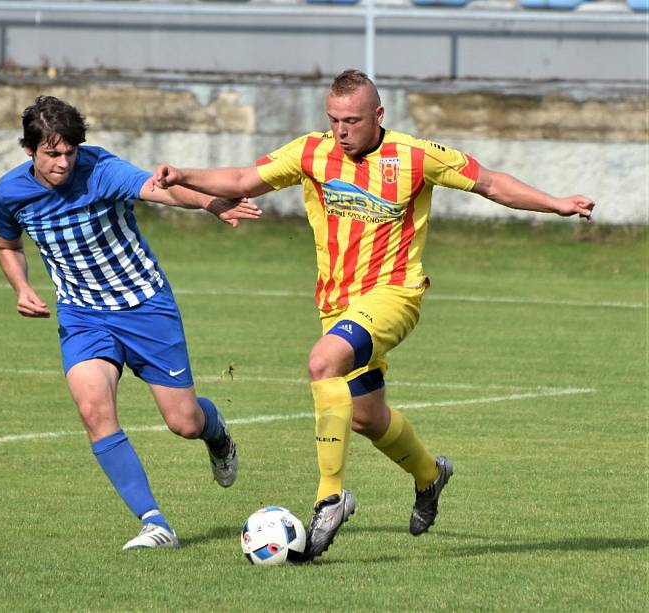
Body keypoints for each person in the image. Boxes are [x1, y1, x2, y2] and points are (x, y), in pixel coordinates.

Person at [152, 69, 595, 560]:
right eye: (334, 119)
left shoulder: (414, 156)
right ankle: (430, 475)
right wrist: (183, 176)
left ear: (379, 116)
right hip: (336, 304)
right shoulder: (311, 152)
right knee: (366, 417)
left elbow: (489, 183)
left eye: (353, 120)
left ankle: (329, 497)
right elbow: (241, 180)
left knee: (323, 363)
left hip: (394, 296)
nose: (342, 130)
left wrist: (555, 204)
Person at [0, 95, 262, 550]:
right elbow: (7, 247)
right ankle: (155, 523)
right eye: (51, 153)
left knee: (185, 423)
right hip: (82, 316)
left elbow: (161, 190)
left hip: (145, 308)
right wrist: (21, 287)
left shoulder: (100, 170)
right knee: (94, 410)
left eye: (70, 152)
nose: (63, 163)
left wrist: (212, 202)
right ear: (29, 151)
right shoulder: (10, 194)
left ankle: (217, 434)